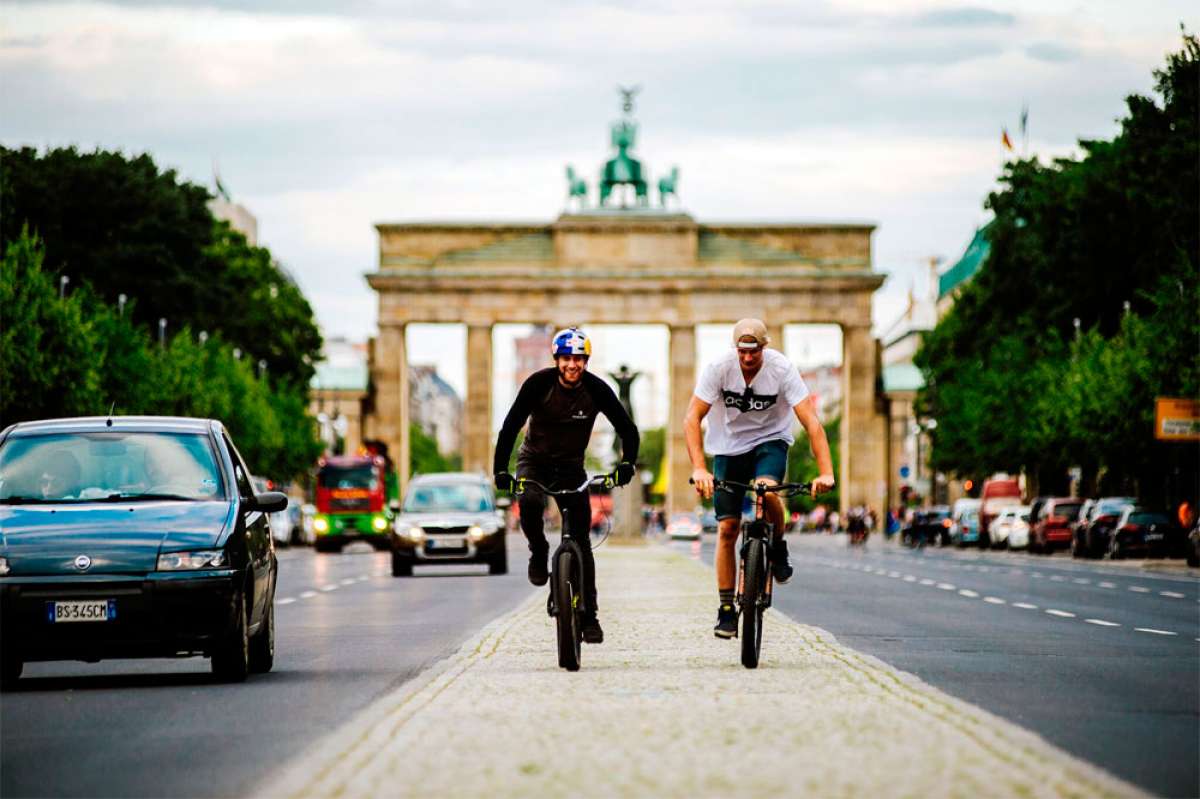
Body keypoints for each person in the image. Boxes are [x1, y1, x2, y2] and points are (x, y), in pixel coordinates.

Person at [686, 318, 835, 639]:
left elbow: (811, 421)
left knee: (767, 492)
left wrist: (826, 472)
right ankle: (726, 608)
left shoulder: (782, 369)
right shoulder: (718, 368)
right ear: (735, 349)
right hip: (727, 447)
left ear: (765, 348)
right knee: (727, 527)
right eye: (742, 351)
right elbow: (692, 418)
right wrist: (699, 468)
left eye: (754, 352)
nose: (748, 358)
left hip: (770, 441)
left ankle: (778, 545)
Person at [493, 327, 639, 645]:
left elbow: (627, 429)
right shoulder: (537, 384)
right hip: (533, 462)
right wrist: (500, 471)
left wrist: (627, 463)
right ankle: (538, 550)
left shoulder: (596, 389)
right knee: (529, 501)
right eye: (567, 359)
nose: (573, 365)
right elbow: (510, 427)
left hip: (572, 469)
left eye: (579, 359)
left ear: (586, 361)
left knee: (582, 543)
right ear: (557, 360)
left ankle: (590, 616)